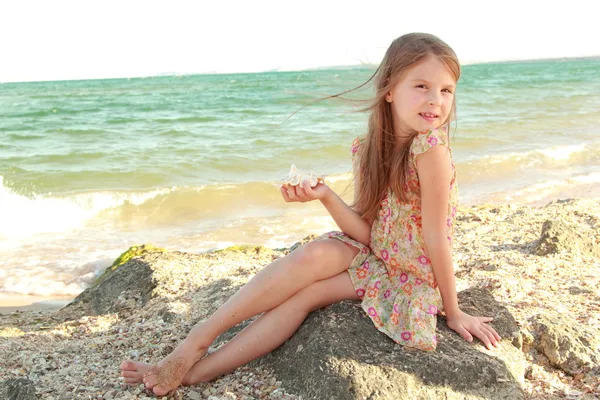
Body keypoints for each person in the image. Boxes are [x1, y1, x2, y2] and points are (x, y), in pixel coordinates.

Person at [120, 32, 501, 396]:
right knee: (314, 254)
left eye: (446, 90)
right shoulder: (369, 149)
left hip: (411, 275)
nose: (435, 100)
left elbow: (436, 238)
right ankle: (197, 340)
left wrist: (453, 312)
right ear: (389, 90)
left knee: (307, 297)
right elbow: (369, 232)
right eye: (421, 86)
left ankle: (195, 373)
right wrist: (325, 196)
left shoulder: (432, 152)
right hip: (380, 253)